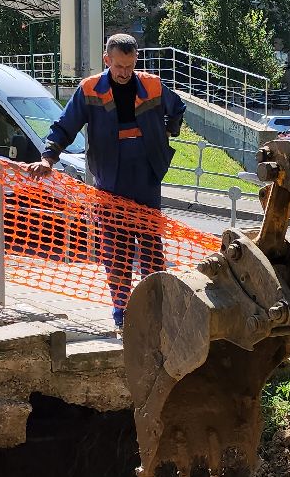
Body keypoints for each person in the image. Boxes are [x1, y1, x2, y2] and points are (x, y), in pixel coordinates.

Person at [28, 32, 186, 328]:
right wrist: (48, 158)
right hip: (110, 181)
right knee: (116, 251)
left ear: (136, 60)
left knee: (152, 249)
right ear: (107, 60)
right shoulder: (89, 89)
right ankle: (121, 313)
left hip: (147, 176)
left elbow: (177, 108)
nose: (125, 73)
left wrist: (166, 132)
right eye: (119, 66)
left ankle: (157, 311)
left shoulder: (152, 84)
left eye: (130, 66)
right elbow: (65, 126)